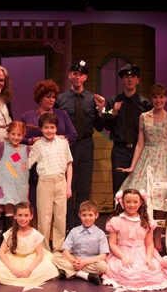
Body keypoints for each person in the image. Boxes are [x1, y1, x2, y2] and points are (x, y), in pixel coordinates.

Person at [117, 83, 167, 252]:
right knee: (144, 194)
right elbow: (140, 143)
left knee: (163, 196)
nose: (158, 100)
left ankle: (158, 236)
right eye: (155, 97)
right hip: (147, 157)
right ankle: (145, 233)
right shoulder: (144, 117)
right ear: (152, 99)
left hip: (164, 158)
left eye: (162, 97)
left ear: (166, 98)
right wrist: (132, 166)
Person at [55, 60, 105, 229]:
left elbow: (99, 126)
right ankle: (68, 227)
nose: (77, 77)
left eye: (81, 74)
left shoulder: (93, 99)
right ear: (70, 75)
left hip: (86, 145)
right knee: (67, 187)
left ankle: (82, 226)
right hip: (66, 147)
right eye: (75, 73)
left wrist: (100, 109)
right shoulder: (61, 99)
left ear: (85, 77)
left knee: (83, 186)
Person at [101, 188, 167, 291]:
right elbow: (112, 244)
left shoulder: (146, 221)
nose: (132, 205)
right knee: (127, 272)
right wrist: (123, 257)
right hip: (122, 252)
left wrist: (148, 258)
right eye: (128, 202)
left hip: (142, 253)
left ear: (140, 203)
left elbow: (150, 244)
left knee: (150, 271)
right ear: (122, 202)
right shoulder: (116, 221)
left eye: (135, 202)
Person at [22, 79, 77, 217]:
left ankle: (55, 236)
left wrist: (61, 138)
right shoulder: (28, 116)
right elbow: (17, 138)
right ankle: (39, 234)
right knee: (39, 206)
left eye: (54, 97)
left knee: (58, 210)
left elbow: (73, 135)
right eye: (48, 96)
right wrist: (31, 140)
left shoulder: (61, 114)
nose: (52, 100)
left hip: (56, 166)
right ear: (40, 97)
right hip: (37, 169)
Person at [103, 64, 153, 195]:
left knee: (139, 185)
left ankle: (137, 215)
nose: (130, 79)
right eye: (126, 77)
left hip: (139, 149)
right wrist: (113, 113)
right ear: (122, 80)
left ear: (138, 80)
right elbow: (106, 125)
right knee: (119, 187)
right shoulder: (114, 101)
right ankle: (118, 214)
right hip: (120, 150)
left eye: (133, 77)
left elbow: (150, 129)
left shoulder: (145, 104)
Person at [27, 113, 73, 252]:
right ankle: (44, 250)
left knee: (60, 217)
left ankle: (58, 249)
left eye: (52, 127)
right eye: (46, 127)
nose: (49, 130)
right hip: (45, 183)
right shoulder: (38, 145)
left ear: (56, 128)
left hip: (61, 182)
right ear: (41, 129)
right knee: (44, 218)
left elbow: (69, 164)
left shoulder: (63, 144)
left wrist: (68, 187)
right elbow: (28, 164)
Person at [0, 202, 59, 285]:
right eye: (20, 215)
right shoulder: (10, 233)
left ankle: (28, 274)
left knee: (47, 266)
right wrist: (13, 269)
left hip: (30, 260)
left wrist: (29, 270)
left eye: (26, 215)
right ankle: (15, 274)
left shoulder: (35, 234)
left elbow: (40, 255)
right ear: (15, 216)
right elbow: (1, 253)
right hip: (13, 259)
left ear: (31, 216)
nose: (23, 218)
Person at [53, 200, 109, 285]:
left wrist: (84, 263)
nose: (87, 218)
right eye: (84, 215)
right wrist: (73, 261)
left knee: (102, 266)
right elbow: (65, 250)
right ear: (79, 215)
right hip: (75, 260)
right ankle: (85, 275)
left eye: (90, 215)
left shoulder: (100, 234)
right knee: (55, 257)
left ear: (96, 215)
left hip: (90, 262)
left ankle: (68, 272)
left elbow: (103, 255)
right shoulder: (74, 231)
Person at [0, 121, 31, 234]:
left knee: (20, 213)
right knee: (9, 214)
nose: (15, 137)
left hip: (21, 187)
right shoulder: (2, 147)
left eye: (19, 135)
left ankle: (19, 239)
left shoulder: (27, 149)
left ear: (23, 135)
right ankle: (7, 241)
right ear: (8, 134)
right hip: (7, 187)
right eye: (13, 134)